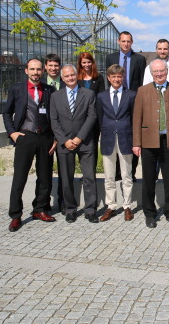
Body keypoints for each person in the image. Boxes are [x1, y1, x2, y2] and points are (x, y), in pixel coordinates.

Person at [3, 58, 57, 232]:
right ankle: (15, 215)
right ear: (26, 70)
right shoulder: (17, 89)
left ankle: (39, 209)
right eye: (32, 69)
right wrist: (12, 133)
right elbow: (6, 113)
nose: (35, 72)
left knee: (45, 176)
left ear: (43, 71)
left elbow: (55, 116)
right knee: (20, 177)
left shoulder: (49, 90)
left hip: (45, 138)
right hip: (25, 137)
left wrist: (55, 138)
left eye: (38, 69)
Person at [133, 59, 169, 229]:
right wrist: (137, 143)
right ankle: (149, 213)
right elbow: (136, 118)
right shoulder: (142, 91)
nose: (158, 74)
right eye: (155, 72)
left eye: (161, 71)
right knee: (148, 179)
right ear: (151, 73)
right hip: (149, 140)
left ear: (166, 72)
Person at [50, 64, 99, 223]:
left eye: (72, 75)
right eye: (67, 76)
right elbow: (54, 121)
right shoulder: (55, 96)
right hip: (65, 143)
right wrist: (64, 140)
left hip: (85, 142)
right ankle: (70, 209)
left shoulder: (89, 94)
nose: (70, 78)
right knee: (66, 177)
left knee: (89, 177)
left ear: (76, 75)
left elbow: (92, 117)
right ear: (62, 78)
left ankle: (90, 210)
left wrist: (79, 138)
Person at [96, 64, 136, 222]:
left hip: (126, 138)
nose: (117, 79)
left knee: (127, 175)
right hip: (108, 139)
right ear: (108, 78)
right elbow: (100, 118)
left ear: (123, 77)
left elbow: (134, 118)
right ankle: (111, 206)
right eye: (114, 76)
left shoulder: (131, 95)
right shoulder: (101, 96)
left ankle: (127, 206)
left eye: (119, 76)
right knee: (109, 176)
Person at [105, 31, 147, 179]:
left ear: (132, 42)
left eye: (128, 41)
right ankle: (117, 173)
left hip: (133, 100)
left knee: (133, 136)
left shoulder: (139, 59)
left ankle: (131, 172)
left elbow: (141, 82)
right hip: (116, 100)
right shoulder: (110, 58)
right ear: (118, 41)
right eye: (123, 41)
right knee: (116, 136)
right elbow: (108, 80)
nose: (126, 44)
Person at [41, 53, 64, 213]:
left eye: (56, 65)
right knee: (45, 170)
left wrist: (59, 136)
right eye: (50, 65)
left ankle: (62, 201)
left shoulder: (66, 83)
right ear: (45, 67)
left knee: (64, 170)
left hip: (63, 134)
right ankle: (44, 202)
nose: (53, 68)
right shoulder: (40, 84)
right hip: (45, 134)